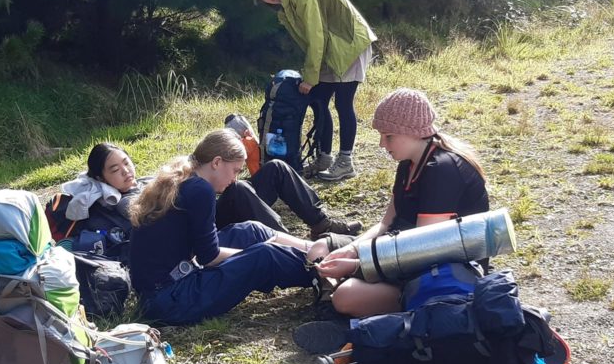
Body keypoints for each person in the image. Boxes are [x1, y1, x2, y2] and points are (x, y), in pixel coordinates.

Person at [303, 88, 489, 320]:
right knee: (319, 249)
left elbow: (424, 248)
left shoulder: (442, 169)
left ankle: (359, 303)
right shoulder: (407, 164)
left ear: (412, 132)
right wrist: (350, 250)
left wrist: (357, 266)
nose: (382, 144)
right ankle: (342, 298)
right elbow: (385, 224)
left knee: (346, 297)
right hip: (395, 249)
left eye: (388, 136)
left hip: (435, 270)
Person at [128, 130, 322, 326]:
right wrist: (250, 253)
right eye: (235, 170)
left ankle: (317, 249)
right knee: (264, 255)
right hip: (172, 299)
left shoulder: (187, 177)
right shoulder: (200, 190)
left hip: (164, 289)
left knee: (250, 230)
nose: (235, 179)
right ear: (217, 162)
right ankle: (326, 273)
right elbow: (209, 257)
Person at [62, 141, 359, 250]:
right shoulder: (120, 201)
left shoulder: (140, 181)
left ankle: (320, 223)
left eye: (126, 162)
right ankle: (296, 248)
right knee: (240, 189)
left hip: (209, 205)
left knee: (277, 169)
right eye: (115, 170)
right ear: (102, 178)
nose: (125, 171)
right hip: (203, 225)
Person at [248, 0, 376, 181]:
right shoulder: (287, 5)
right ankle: (323, 157)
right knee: (318, 101)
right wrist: (312, 72)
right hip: (329, 49)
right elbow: (313, 41)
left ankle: (345, 162)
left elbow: (317, 37)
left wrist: (310, 76)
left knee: (343, 104)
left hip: (349, 46)